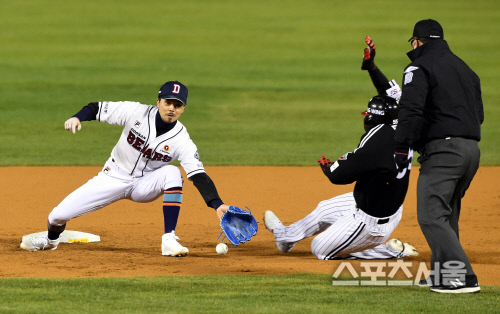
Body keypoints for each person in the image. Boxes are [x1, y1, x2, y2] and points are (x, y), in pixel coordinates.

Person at [20, 81, 232, 257]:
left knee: (173, 173)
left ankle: (169, 239)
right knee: (57, 216)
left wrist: (217, 204)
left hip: (144, 185)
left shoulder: (183, 140)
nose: (171, 108)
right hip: (112, 177)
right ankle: (50, 241)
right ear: (158, 102)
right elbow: (96, 108)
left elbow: (198, 174)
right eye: (168, 102)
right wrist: (77, 117)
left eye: (177, 105)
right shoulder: (135, 112)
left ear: (183, 108)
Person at [263, 92, 418, 261]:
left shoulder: (379, 138)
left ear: (373, 118)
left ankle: (391, 251)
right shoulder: (402, 131)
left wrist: (330, 168)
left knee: (320, 249)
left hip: (371, 223)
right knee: (324, 209)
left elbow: (338, 176)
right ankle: (284, 237)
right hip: (383, 205)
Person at [394, 19, 484, 293]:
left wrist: (401, 148)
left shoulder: (419, 66)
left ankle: (462, 278)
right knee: (446, 216)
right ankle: (445, 275)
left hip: (444, 153)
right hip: (470, 151)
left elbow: (410, 109)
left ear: (416, 42)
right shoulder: (466, 69)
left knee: (431, 216)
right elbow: (478, 115)